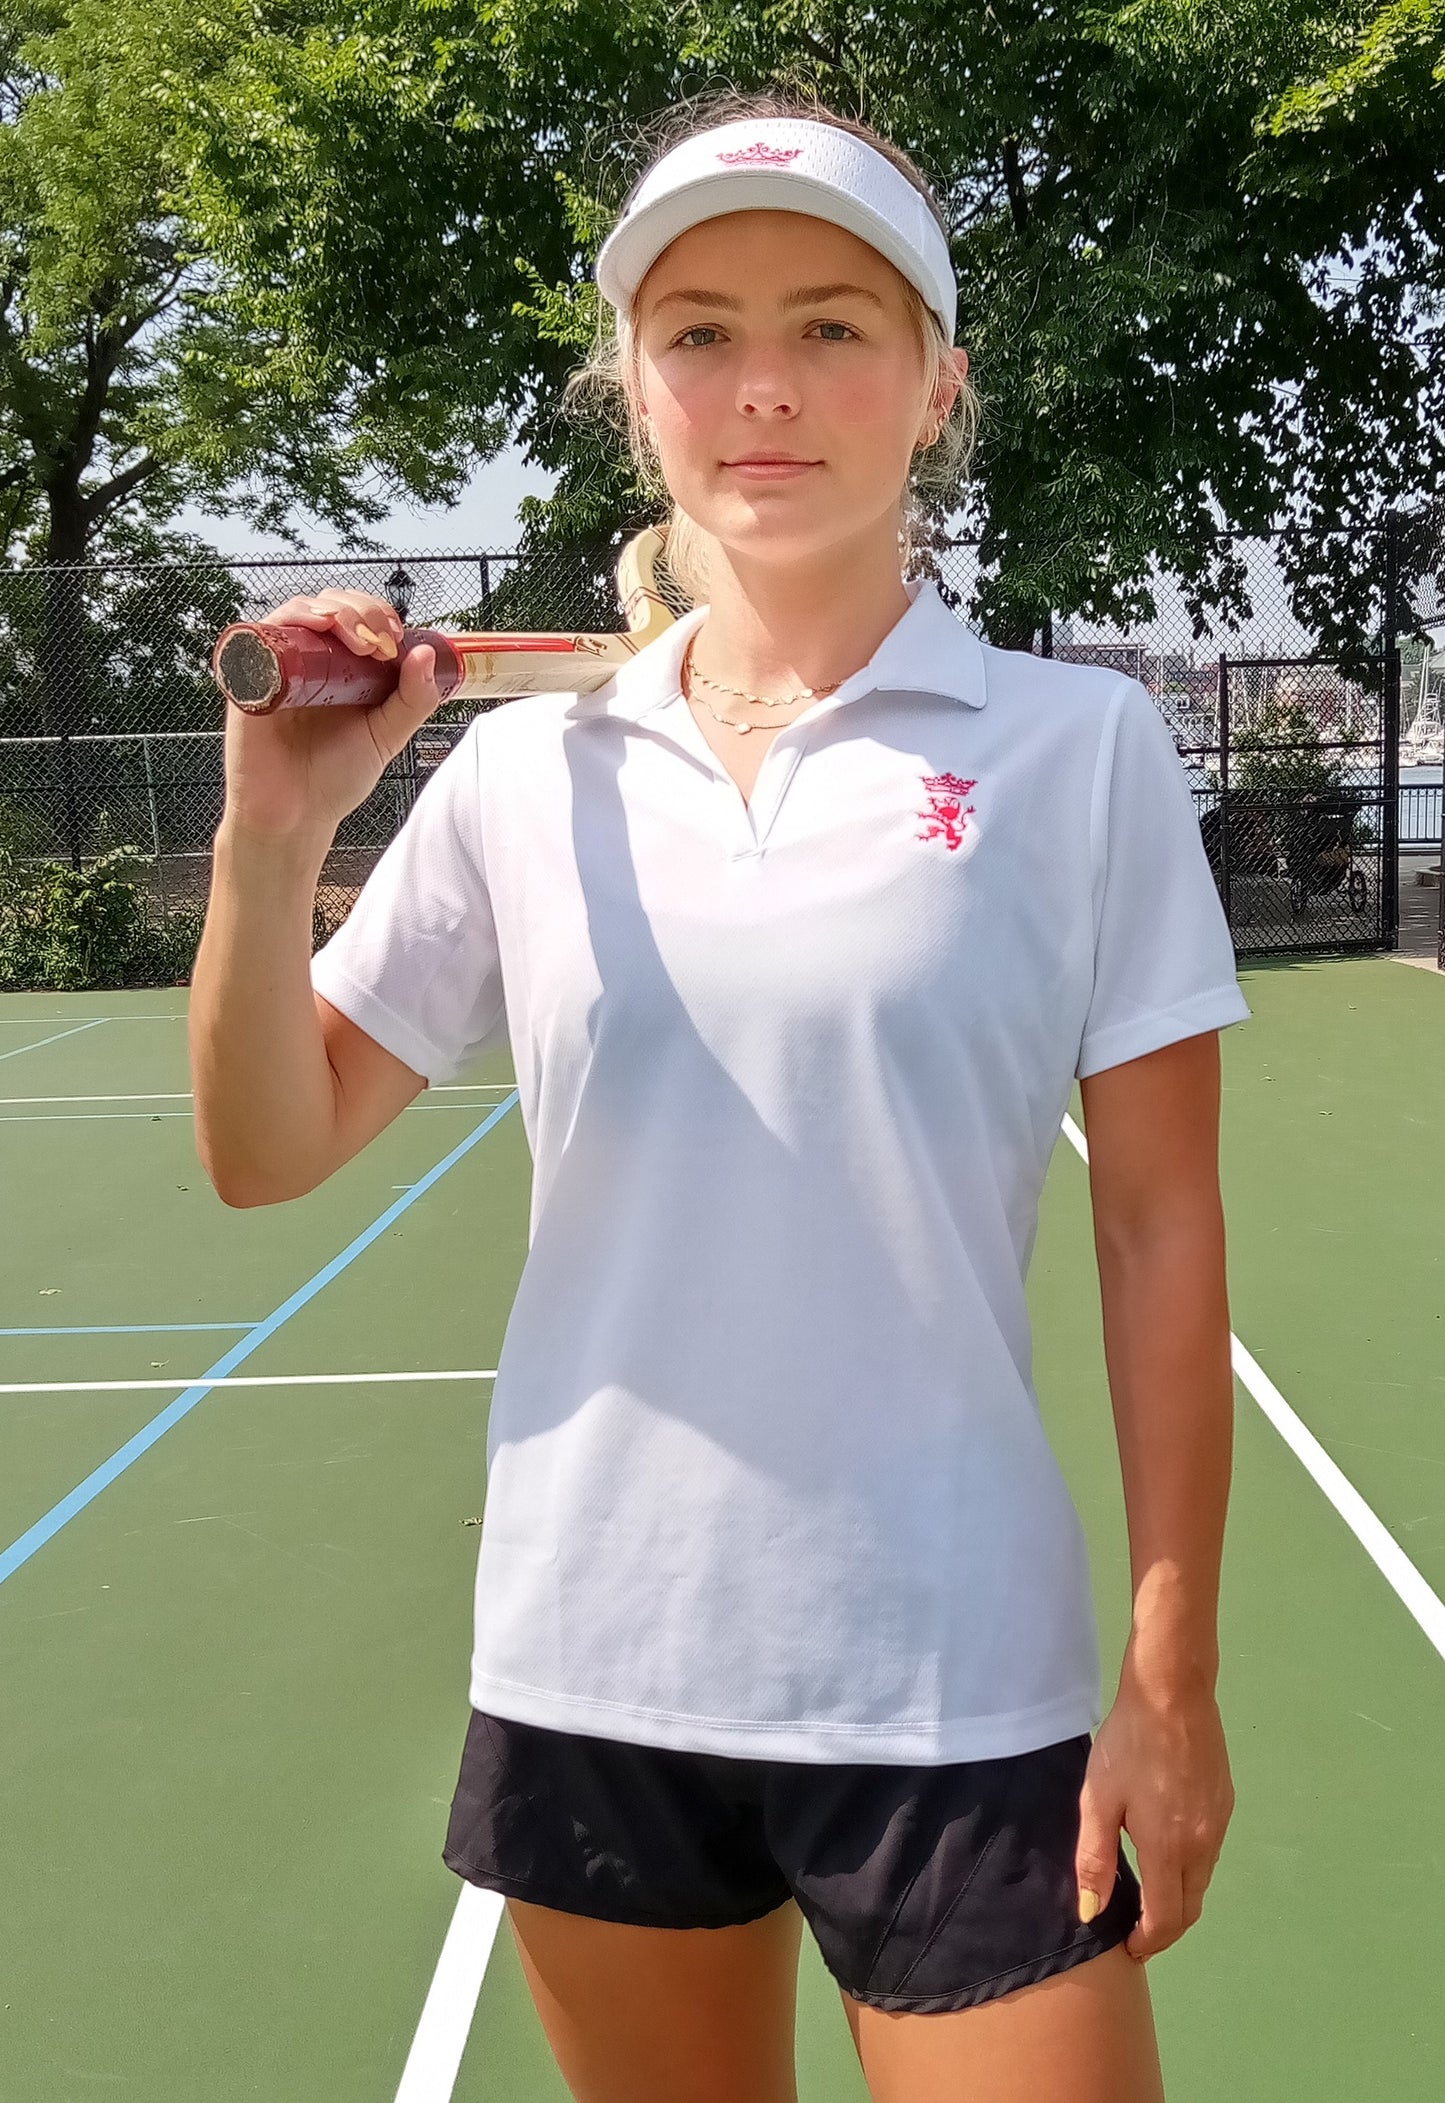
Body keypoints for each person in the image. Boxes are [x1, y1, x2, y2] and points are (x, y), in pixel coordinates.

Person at [190, 86, 1251, 2103]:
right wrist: (271, 841)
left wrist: (1169, 1668)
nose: (765, 386)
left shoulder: (1078, 749)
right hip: (603, 1668)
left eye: (834, 326)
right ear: (638, 393)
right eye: (699, 333)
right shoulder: (523, 775)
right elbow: (265, 1147)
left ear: (937, 383)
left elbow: (1157, 1218)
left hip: (967, 1684)